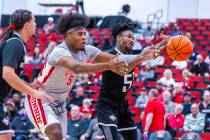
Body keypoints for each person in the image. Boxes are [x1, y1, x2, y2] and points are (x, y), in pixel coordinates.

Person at [24, 13, 157, 140]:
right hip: (39, 96)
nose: (84, 37)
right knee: (55, 132)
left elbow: (117, 58)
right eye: (80, 34)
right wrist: (109, 65)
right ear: (69, 36)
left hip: (59, 103)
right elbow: (76, 67)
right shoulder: (59, 52)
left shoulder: (87, 50)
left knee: (58, 136)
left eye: (85, 34)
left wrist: (141, 57)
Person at [96, 22, 167, 140]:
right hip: (106, 105)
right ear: (119, 38)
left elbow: (152, 55)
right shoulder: (109, 55)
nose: (132, 40)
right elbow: (124, 68)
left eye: (133, 38)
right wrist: (140, 56)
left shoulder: (133, 54)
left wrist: (165, 42)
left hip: (122, 105)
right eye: (129, 37)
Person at [0, 9, 54, 140]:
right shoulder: (15, 43)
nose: (36, 25)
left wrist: (30, 84)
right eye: (34, 21)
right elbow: (7, 74)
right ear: (27, 25)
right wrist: (33, 92)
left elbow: (11, 76)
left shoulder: (16, 42)